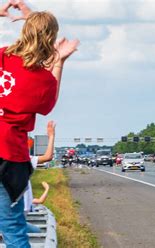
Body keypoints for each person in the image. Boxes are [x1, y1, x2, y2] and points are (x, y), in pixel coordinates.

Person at [0, 2, 79, 246]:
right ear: (50, 39)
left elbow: (35, 33)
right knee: (13, 230)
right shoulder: (42, 80)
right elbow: (48, 103)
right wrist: (59, 61)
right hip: (9, 156)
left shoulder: (2, 56)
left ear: (25, 31)